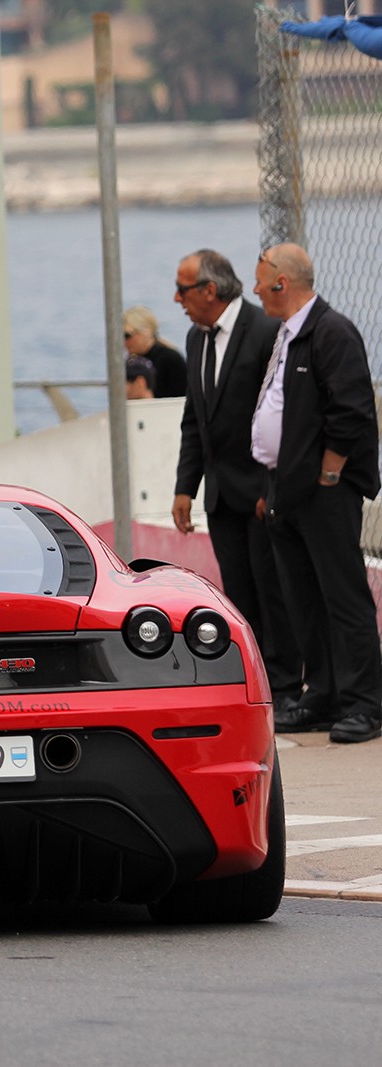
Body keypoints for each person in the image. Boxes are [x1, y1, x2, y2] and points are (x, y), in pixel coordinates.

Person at [251, 243, 382, 744]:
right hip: (287, 490)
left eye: (262, 280)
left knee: (343, 597)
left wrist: (328, 477)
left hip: (323, 493)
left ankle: (364, 705)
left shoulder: (332, 331)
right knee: (303, 599)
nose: (257, 288)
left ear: (282, 283)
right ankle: (323, 695)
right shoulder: (288, 334)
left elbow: (351, 413)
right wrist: (275, 483)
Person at [171, 248, 305, 717]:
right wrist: (185, 485)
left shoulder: (265, 331)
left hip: (262, 492)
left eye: (183, 289)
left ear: (210, 289)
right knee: (239, 596)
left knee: (275, 592)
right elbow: (196, 417)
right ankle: (259, 687)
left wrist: (275, 485)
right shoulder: (195, 339)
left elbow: (284, 414)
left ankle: (289, 686)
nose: (176, 299)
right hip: (222, 494)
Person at [122, 306, 187, 398]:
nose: (123, 342)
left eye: (127, 335)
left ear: (146, 331)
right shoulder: (132, 362)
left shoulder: (170, 359)